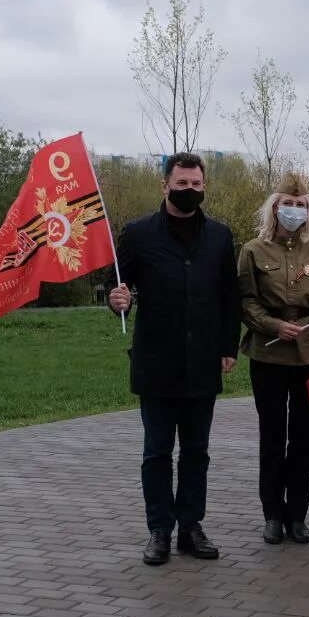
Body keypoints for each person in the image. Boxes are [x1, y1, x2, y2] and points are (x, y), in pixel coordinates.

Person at [107, 153, 240, 566]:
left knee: (197, 451)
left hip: (202, 360)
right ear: (165, 185)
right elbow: (116, 288)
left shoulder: (219, 236)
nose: (189, 191)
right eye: (181, 184)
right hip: (156, 361)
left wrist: (228, 347)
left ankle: (191, 528)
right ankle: (159, 530)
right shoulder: (138, 234)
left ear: (204, 187)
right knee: (157, 452)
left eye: (196, 185)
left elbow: (229, 298)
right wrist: (117, 301)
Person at [238, 172, 309, 546]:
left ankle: (297, 515)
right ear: (274, 207)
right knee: (272, 437)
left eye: (301, 205)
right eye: (288, 204)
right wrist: (271, 325)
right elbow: (246, 302)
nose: (294, 210)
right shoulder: (253, 250)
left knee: (302, 438)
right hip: (267, 354)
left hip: (308, 354)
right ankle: (272, 514)